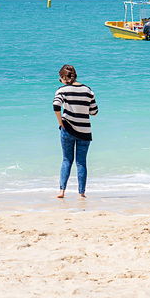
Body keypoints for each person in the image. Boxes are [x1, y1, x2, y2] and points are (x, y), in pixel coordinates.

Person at [53, 65, 98, 198]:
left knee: (67, 160)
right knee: (81, 162)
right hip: (84, 131)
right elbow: (94, 112)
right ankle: (81, 193)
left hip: (67, 129)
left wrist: (60, 123)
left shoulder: (62, 90)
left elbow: (56, 105)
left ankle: (61, 191)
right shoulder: (88, 90)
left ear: (64, 77)